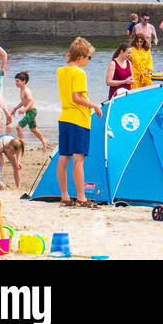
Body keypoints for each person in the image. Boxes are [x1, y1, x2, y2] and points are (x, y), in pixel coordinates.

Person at [56, 38, 104, 208]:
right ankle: (81, 198)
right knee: (78, 159)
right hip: (78, 119)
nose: (89, 61)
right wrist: (94, 106)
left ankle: (64, 197)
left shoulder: (61, 71)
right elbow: (77, 97)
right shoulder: (79, 73)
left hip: (65, 118)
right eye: (89, 57)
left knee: (63, 158)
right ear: (82, 57)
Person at [9, 72, 46, 148]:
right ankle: (44, 141)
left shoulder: (26, 91)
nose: (16, 83)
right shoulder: (22, 90)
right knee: (33, 129)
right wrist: (15, 109)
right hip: (30, 111)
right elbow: (23, 102)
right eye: (15, 81)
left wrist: (24, 109)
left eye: (17, 81)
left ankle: (21, 144)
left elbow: (31, 101)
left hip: (32, 112)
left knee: (18, 127)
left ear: (24, 81)